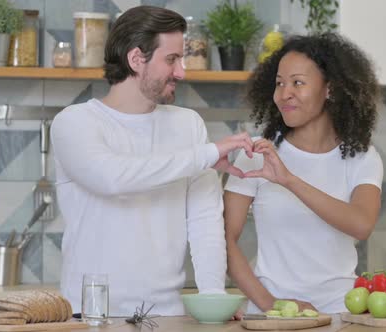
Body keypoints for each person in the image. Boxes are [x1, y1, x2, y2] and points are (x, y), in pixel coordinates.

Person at [51, 6, 253, 316]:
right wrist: (207, 154)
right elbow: (113, 178)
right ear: (136, 59)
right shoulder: (76, 123)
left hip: (166, 315)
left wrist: (213, 297)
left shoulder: (188, 124)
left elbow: (205, 221)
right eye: (172, 59)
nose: (182, 72)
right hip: (90, 315)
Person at [224, 33, 384, 314]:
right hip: (271, 315)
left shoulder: (362, 157)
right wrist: (272, 305)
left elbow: (361, 224)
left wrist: (290, 180)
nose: (285, 94)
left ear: (330, 89)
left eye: (298, 82)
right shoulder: (257, 153)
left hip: (342, 313)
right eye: (279, 83)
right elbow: (223, 239)